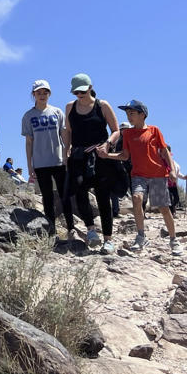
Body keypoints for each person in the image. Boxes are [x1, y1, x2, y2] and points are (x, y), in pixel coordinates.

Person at [98, 100, 183, 255]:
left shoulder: (154, 131)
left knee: (164, 208)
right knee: (137, 198)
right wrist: (107, 155)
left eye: (132, 113)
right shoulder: (128, 134)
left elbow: (164, 151)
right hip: (138, 175)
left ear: (142, 115)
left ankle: (173, 240)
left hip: (157, 174)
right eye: (127, 113)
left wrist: (171, 170)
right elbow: (125, 156)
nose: (129, 116)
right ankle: (141, 236)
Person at [63, 73, 120, 254]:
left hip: (100, 157)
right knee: (79, 190)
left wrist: (108, 144)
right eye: (76, 91)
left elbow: (116, 130)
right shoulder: (70, 107)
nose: (79, 94)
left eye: (82, 90)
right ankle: (91, 230)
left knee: (103, 197)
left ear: (89, 87)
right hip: (79, 156)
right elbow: (68, 131)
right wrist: (67, 150)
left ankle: (108, 240)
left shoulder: (102, 106)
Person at [21, 79, 70, 239]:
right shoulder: (28, 116)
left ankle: (71, 228)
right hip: (41, 163)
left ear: (49, 94)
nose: (42, 95)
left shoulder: (57, 112)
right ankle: (52, 230)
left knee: (64, 195)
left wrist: (66, 154)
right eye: (38, 92)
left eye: (45, 92)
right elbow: (29, 143)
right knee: (47, 197)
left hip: (58, 161)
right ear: (33, 94)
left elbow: (64, 135)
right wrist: (30, 165)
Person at [167, 145, 187, 214]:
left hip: (173, 184)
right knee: (169, 199)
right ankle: (172, 213)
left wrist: (184, 177)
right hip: (165, 184)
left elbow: (178, 173)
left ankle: (172, 209)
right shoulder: (161, 163)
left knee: (176, 199)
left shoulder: (175, 164)